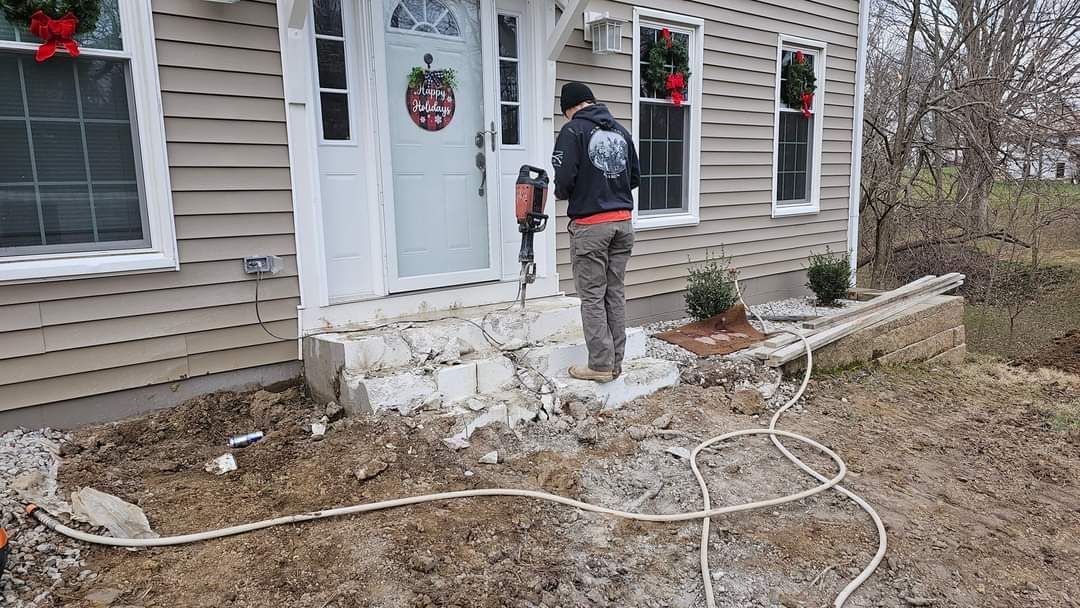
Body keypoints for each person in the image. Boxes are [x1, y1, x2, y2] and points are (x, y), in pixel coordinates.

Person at [552, 82, 640, 383]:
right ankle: (616, 362)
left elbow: (563, 181)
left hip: (591, 227)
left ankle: (600, 366)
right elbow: (634, 177)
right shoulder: (620, 131)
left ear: (570, 108)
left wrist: (573, 191)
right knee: (614, 292)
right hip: (623, 223)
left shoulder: (573, 131)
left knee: (592, 296)